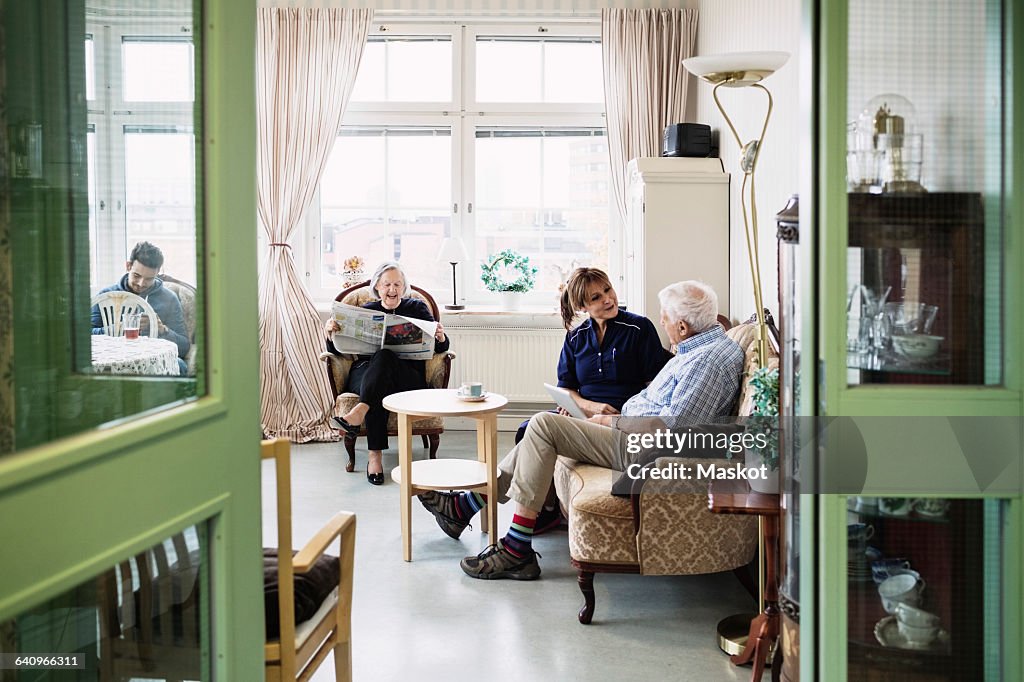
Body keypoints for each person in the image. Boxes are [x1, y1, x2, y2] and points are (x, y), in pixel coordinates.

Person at [418, 280, 744, 580]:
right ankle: (468, 511)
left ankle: (511, 545)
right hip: (632, 433)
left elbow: (674, 428)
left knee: (543, 425)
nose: (663, 323)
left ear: (683, 326)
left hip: (644, 446)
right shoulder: (696, 349)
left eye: (666, 319)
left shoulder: (707, 359)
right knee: (540, 426)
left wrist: (609, 421)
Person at [517, 267, 671, 532]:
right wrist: (585, 406)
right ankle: (548, 507)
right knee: (526, 428)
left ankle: (474, 502)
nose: (608, 299)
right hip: (583, 413)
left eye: (608, 290)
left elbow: (654, 387)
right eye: (596, 298)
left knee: (540, 428)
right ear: (582, 306)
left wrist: (616, 415)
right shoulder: (576, 337)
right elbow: (566, 388)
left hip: (619, 418)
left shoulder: (638, 328)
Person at [325, 261, 449, 486]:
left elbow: (440, 348)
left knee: (385, 358)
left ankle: (362, 417)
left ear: (404, 287)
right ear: (377, 287)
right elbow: (338, 351)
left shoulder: (418, 309)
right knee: (379, 374)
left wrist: (440, 336)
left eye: (397, 284)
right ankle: (374, 455)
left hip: (406, 375)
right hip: (365, 374)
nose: (392, 290)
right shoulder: (366, 311)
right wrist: (330, 334)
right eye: (387, 284)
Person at [91, 241, 190, 375]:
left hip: (154, 359)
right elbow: (87, 335)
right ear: (128, 266)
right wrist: (114, 329)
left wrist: (162, 329)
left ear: (158, 273)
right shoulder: (106, 296)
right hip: (116, 359)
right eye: (137, 276)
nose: (141, 284)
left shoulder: (169, 298)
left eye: (149, 278)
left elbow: (184, 347)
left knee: (179, 364)